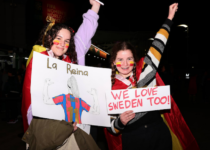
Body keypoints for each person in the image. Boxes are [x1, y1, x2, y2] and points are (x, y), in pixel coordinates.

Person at [105, 3, 178, 150]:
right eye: (120, 59)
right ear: (113, 62)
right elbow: (110, 128)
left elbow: (158, 45)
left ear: (134, 60)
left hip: (159, 135)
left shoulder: (145, 72)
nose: (125, 64)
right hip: (133, 140)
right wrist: (120, 122)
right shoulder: (109, 88)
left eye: (129, 59)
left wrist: (169, 18)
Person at [22, 0, 101, 133]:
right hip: (46, 129)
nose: (62, 44)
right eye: (58, 38)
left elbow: (84, 34)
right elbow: (32, 99)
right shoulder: (40, 61)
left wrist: (95, 7)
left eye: (67, 41)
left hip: (73, 126)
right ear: (49, 38)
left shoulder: (73, 60)